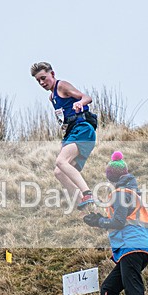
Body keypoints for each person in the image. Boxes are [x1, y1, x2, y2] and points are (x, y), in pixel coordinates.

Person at [83, 151, 148, 295]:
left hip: (131, 246)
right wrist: (101, 219)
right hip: (138, 246)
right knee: (109, 287)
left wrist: (98, 222)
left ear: (112, 178)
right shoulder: (132, 192)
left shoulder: (121, 193)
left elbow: (118, 222)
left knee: (132, 284)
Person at [31, 62, 98, 211]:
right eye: (38, 81)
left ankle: (87, 194)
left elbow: (87, 97)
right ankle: (86, 208)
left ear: (52, 74)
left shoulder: (61, 86)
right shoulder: (52, 98)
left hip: (83, 129)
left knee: (61, 161)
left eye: (43, 78)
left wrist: (80, 103)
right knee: (59, 172)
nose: (41, 82)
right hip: (71, 132)